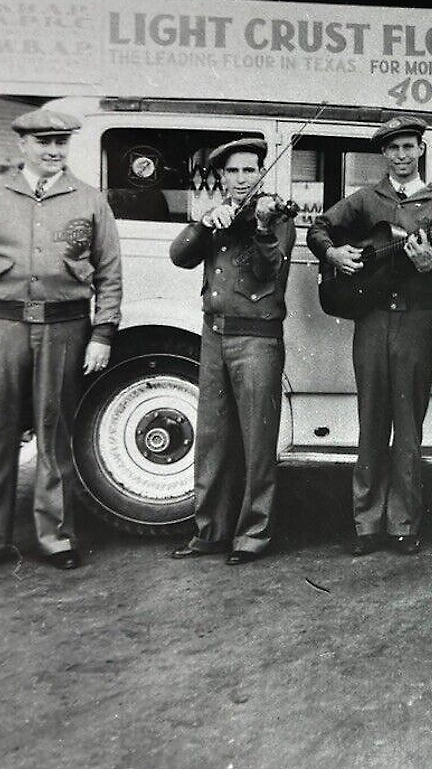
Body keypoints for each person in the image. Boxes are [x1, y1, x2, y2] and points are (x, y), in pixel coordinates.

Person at [0, 108, 122, 576]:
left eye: (61, 143)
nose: (53, 152)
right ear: (22, 145)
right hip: (0, 327)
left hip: (65, 329)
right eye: (43, 143)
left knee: (54, 434)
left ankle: (56, 538)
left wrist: (102, 333)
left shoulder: (89, 201)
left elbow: (109, 273)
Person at [307, 116, 432, 556]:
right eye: (393, 149)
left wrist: (430, 262)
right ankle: (366, 523)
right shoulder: (366, 200)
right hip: (372, 321)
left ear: (421, 150)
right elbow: (319, 229)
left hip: (417, 322)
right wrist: (334, 252)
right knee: (372, 420)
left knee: (409, 426)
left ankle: (403, 524)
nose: (402, 155)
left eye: (409, 147)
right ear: (384, 154)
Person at [168, 138, 296, 565]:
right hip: (214, 335)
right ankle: (210, 532)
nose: (242, 179)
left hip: (256, 338)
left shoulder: (274, 218)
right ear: (221, 177)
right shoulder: (218, 214)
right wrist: (206, 223)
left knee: (257, 442)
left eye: (249, 171)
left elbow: (266, 272)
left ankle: (252, 535)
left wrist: (260, 229)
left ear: (262, 172)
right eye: (233, 172)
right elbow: (180, 256)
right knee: (211, 439)